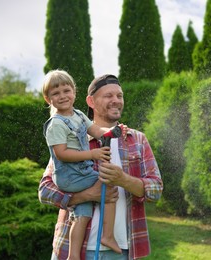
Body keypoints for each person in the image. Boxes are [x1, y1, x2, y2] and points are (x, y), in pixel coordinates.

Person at [39, 74, 163, 260]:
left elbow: (156, 190)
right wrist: (87, 195)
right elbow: (45, 191)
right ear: (91, 101)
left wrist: (123, 180)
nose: (116, 101)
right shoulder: (74, 137)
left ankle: (108, 237)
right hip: (74, 250)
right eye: (108, 96)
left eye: (119, 96)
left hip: (121, 250)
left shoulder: (137, 140)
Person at [42, 70, 122, 260]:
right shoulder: (56, 124)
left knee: (82, 215)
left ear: (74, 92)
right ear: (48, 99)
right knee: (108, 183)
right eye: (56, 93)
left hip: (78, 174)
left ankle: (73, 256)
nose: (62, 96)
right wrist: (92, 153)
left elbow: (95, 130)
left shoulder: (77, 115)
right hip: (70, 176)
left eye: (66, 90)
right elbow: (61, 154)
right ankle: (108, 236)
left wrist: (110, 132)